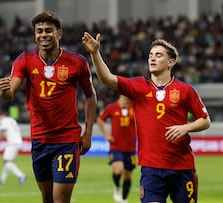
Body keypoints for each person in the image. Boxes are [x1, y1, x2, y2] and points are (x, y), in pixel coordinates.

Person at [83, 34, 211, 203]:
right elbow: (107, 79)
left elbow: (205, 120)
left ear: (171, 62)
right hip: (151, 169)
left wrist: (185, 128)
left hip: (182, 167)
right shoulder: (138, 87)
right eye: (150, 55)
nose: (152, 58)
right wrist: (95, 53)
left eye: (158, 55)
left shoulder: (186, 90)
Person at [0, 11, 97, 203]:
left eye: (48, 30)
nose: (43, 35)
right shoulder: (24, 59)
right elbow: (10, 94)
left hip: (66, 140)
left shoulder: (77, 62)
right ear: (35, 35)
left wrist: (88, 133)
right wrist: (3, 91)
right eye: (39, 31)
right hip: (40, 140)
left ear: (59, 34)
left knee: (60, 200)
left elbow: (91, 95)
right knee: (47, 198)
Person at [97, 94, 136, 203]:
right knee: (118, 170)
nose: (127, 99)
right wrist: (106, 135)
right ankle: (116, 187)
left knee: (128, 175)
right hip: (116, 146)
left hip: (131, 148)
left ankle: (124, 199)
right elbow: (100, 120)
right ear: (121, 96)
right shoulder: (111, 108)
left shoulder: (134, 107)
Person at [0, 112, 27, 185]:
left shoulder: (3, 121)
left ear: (1, 116)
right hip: (18, 142)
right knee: (7, 162)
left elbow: (2, 133)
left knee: (6, 162)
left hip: (12, 143)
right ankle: (2, 180)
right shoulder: (12, 120)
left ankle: (21, 175)